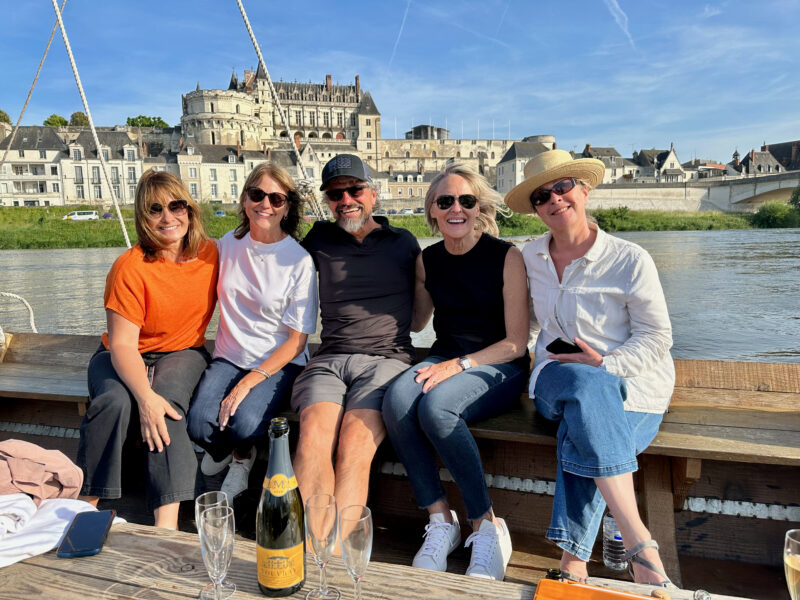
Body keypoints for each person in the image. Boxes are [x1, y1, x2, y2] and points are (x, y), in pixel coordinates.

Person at [504, 149, 676, 586]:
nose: (555, 200)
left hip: (635, 386)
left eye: (563, 188)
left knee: (585, 419)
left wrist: (609, 363)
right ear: (537, 209)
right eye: (543, 196)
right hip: (556, 377)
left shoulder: (630, 259)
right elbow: (523, 327)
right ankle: (640, 543)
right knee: (583, 386)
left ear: (584, 190)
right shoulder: (529, 259)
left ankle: (572, 563)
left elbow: (658, 337)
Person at [382, 163, 529, 581]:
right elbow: (415, 322)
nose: (456, 209)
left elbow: (517, 342)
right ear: (432, 211)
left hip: (498, 363)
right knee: (397, 399)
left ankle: (486, 526)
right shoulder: (428, 260)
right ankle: (441, 521)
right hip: (446, 356)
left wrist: (460, 365)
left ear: (478, 206)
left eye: (466, 200)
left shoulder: (507, 256)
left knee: (438, 408)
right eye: (445, 202)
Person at [77, 170, 218, 529]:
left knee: (167, 407)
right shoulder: (129, 267)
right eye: (155, 210)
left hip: (182, 351)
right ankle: (83, 506)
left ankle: (165, 527)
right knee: (113, 402)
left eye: (176, 206)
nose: (168, 217)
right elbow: (123, 343)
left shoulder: (211, 254)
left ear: (190, 209)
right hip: (120, 354)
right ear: (143, 217)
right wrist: (144, 396)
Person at [291, 154, 420, 516]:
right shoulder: (318, 239)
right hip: (329, 359)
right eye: (335, 195)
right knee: (313, 436)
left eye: (354, 190)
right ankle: (319, 554)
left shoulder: (403, 242)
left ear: (373, 194)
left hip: (387, 360)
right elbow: (274, 272)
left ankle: (332, 555)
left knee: (354, 441)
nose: (346, 200)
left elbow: (433, 299)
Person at [187, 163, 318, 498]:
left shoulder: (299, 261)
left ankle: (243, 456)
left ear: (287, 206)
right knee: (198, 423)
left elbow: (296, 341)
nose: (266, 205)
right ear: (245, 199)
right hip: (229, 356)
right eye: (257, 194)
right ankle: (232, 453)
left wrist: (248, 382)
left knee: (244, 423)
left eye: (276, 198)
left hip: (278, 360)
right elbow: (182, 270)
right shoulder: (227, 244)